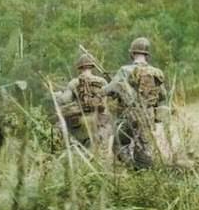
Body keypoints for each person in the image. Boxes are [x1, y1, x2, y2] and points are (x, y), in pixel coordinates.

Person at [107, 37, 173, 167]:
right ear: (147, 55)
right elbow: (162, 95)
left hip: (129, 116)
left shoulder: (124, 70)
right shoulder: (156, 72)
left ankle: (134, 169)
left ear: (132, 53)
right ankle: (145, 172)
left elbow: (110, 90)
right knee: (144, 147)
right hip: (148, 115)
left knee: (119, 146)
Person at [54, 51, 113, 159]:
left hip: (80, 121)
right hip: (99, 122)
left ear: (80, 67)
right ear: (92, 66)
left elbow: (64, 100)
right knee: (97, 150)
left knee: (78, 148)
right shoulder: (102, 81)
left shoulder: (74, 82)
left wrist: (57, 95)